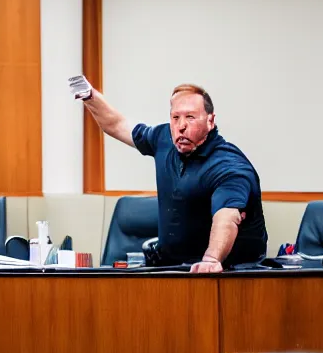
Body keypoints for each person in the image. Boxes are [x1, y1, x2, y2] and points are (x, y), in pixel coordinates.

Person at [69, 75, 267, 273]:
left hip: (230, 273)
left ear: (210, 120)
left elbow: (227, 217)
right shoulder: (164, 139)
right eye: (175, 117)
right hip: (173, 269)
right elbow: (116, 125)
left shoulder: (228, 166)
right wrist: (90, 96)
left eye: (190, 117)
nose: (181, 125)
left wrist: (211, 259)